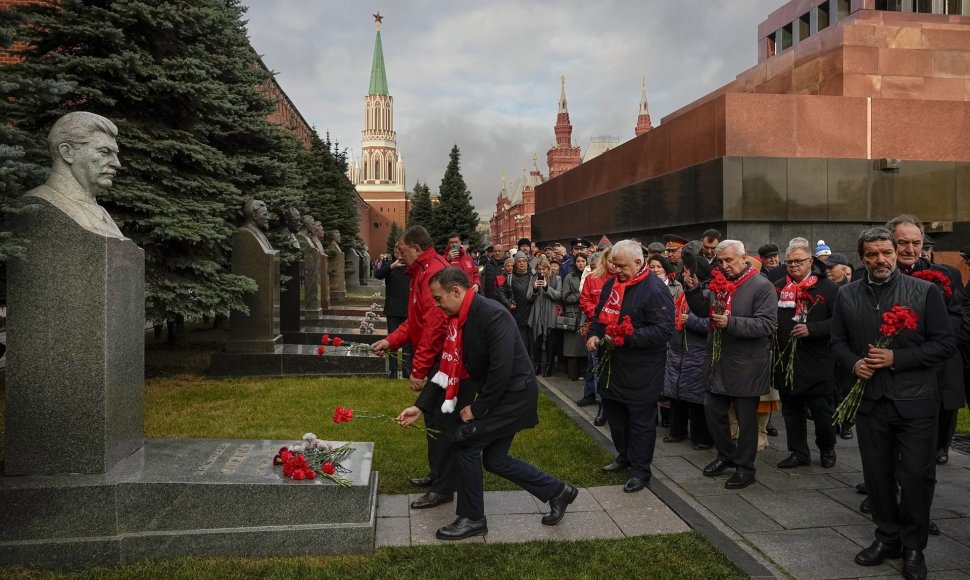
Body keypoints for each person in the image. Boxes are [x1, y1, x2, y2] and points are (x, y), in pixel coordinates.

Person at [396, 267, 577, 540]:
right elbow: (445, 367)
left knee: (465, 444)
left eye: (438, 298)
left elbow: (501, 370)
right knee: (495, 460)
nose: (436, 304)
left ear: (456, 291)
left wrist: (478, 409)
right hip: (503, 396)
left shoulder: (491, 315)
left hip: (514, 397)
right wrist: (420, 407)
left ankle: (472, 518)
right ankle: (558, 492)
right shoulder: (460, 319)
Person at [829, 227, 954, 579]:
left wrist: (896, 359)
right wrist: (854, 363)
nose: (880, 260)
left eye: (886, 252)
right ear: (862, 257)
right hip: (871, 401)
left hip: (915, 401)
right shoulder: (847, 294)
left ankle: (914, 547)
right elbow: (837, 342)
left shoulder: (925, 291)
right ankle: (887, 537)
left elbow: (944, 344)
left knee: (916, 476)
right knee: (877, 475)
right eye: (872, 254)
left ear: (897, 253)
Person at [370, 225, 453, 509]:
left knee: (441, 423)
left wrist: (418, 369)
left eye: (402, 251)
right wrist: (390, 341)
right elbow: (415, 321)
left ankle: (444, 486)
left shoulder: (433, 272)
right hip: (436, 360)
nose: (398, 256)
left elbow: (434, 326)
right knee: (433, 420)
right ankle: (438, 475)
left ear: (417, 248)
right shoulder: (421, 271)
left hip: (443, 363)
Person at [587, 240, 674, 493]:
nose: (616, 270)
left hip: (642, 369)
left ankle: (640, 470)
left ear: (638, 262)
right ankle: (624, 456)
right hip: (612, 365)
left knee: (640, 421)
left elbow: (663, 330)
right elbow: (599, 317)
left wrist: (628, 338)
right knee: (615, 416)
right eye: (613, 264)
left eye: (621, 266)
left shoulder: (654, 290)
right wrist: (593, 334)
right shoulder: (612, 284)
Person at [699, 240, 777, 490]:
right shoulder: (719, 284)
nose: (724, 266)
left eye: (729, 260)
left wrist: (731, 323)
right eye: (720, 261)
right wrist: (692, 291)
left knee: (746, 419)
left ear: (744, 258)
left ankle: (745, 468)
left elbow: (767, 325)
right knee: (712, 409)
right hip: (719, 361)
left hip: (747, 364)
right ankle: (725, 455)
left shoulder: (761, 285)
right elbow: (705, 312)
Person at [773, 240, 839, 469]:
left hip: (817, 361)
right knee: (791, 411)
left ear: (810, 261)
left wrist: (813, 329)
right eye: (789, 262)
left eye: (799, 261)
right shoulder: (778, 286)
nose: (793, 266)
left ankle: (827, 447)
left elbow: (839, 323)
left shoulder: (828, 288)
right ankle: (798, 452)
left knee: (822, 413)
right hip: (786, 360)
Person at [25, 111, 125, 238]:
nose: (117, 163)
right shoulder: (38, 204)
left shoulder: (101, 212)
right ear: (67, 152)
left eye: (115, 154)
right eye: (104, 152)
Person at [664, 251, 714, 450]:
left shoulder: (709, 294)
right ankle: (677, 431)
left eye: (687, 271)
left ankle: (701, 437)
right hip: (678, 350)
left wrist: (692, 321)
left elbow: (713, 324)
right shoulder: (684, 293)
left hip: (696, 352)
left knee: (696, 398)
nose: (684, 274)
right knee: (677, 394)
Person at [576, 249, 613, 426]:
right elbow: (585, 301)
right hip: (597, 326)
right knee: (596, 366)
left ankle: (607, 404)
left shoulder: (622, 279)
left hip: (614, 328)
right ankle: (598, 401)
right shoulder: (592, 278)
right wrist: (598, 314)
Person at [375, 247, 411, 379]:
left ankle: (407, 369)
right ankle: (393, 370)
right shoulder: (389, 265)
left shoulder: (410, 266)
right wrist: (391, 266)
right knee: (392, 341)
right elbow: (378, 274)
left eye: (401, 250)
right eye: (396, 250)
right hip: (393, 309)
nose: (399, 253)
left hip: (408, 309)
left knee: (408, 343)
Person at [527, 257, 562, 377]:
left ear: (549, 269)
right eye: (539, 269)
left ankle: (549, 366)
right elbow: (529, 297)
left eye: (544, 269)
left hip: (550, 314)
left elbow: (559, 295)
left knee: (550, 342)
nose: (541, 272)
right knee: (537, 341)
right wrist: (535, 289)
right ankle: (537, 365)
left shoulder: (557, 279)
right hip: (537, 314)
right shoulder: (533, 278)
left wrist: (547, 287)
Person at [498, 251, 534, 358]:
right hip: (517, 313)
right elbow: (501, 292)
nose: (522, 263)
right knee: (522, 341)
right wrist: (508, 304)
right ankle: (524, 363)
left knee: (533, 341)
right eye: (519, 261)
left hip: (532, 312)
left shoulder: (533, 275)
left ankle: (535, 364)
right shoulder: (510, 277)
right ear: (515, 263)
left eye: (524, 261)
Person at [560, 254, 588, 381]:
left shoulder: (591, 276)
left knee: (585, 346)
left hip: (587, 314)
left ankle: (584, 372)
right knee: (572, 347)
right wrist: (580, 295)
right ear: (574, 263)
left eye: (583, 261)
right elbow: (565, 297)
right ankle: (572, 374)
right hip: (573, 314)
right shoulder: (569, 277)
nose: (581, 263)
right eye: (578, 261)